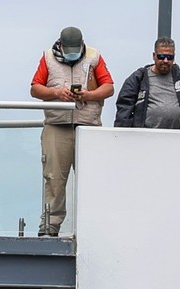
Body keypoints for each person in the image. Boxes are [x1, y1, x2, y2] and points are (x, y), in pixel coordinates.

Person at [32, 26, 114, 238]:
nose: (72, 53)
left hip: (88, 126)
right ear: (60, 45)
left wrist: (89, 95)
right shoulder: (48, 57)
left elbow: (109, 87)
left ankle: (95, 227)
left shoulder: (94, 56)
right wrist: (56, 93)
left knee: (92, 178)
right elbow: (35, 88)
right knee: (54, 178)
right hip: (56, 125)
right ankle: (50, 226)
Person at [115, 37, 180, 129]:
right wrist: (122, 134)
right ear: (154, 56)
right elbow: (124, 106)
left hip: (178, 136)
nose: (165, 61)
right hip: (145, 136)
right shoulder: (139, 78)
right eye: (161, 57)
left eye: (170, 57)